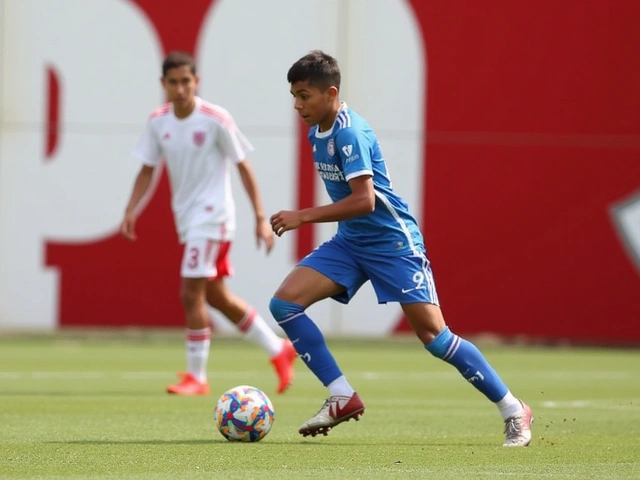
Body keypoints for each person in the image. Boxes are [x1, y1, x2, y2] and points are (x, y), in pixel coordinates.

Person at [268, 50, 533, 446]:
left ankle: (514, 409)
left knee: (436, 338)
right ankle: (342, 395)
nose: (297, 104)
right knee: (284, 304)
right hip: (351, 242)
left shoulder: (349, 132)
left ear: (331, 93)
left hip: (393, 244)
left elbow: (365, 201)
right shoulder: (316, 131)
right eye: (294, 95)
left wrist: (303, 216)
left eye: (304, 95)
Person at [121, 51, 296, 396]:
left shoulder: (215, 118)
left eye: (186, 81)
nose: (181, 88)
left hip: (213, 217)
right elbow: (147, 168)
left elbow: (243, 166)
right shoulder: (158, 121)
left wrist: (260, 217)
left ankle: (197, 377)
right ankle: (279, 349)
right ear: (164, 85)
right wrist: (131, 210)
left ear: (196, 82)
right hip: (188, 220)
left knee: (190, 293)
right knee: (215, 296)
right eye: (173, 82)